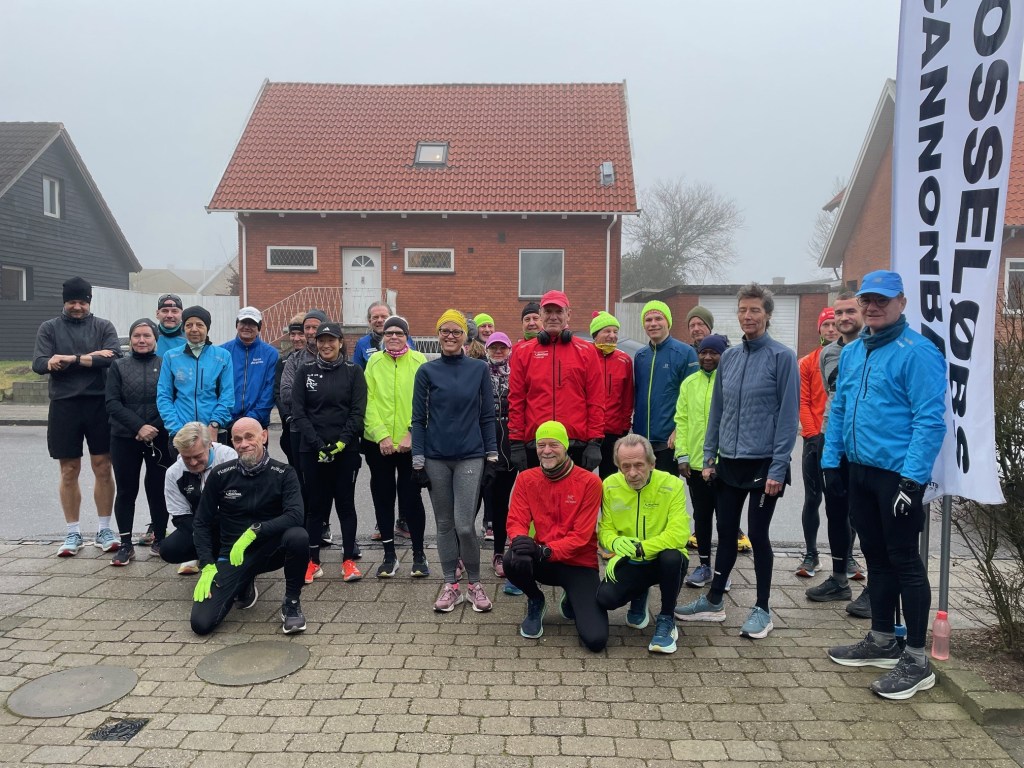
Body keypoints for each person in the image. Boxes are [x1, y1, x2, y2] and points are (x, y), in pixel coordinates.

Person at [822, 270, 946, 700]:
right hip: (859, 471)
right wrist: (831, 461)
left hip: (897, 475)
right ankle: (881, 639)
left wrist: (912, 481)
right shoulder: (854, 351)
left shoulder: (919, 352)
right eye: (868, 301)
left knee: (904, 560)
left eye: (883, 300)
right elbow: (840, 407)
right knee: (875, 557)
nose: (873, 307)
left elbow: (930, 421)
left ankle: (917, 659)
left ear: (902, 303)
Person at [675, 283, 799, 639]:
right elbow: (718, 411)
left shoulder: (782, 357)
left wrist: (778, 467)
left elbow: (788, 417)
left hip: (763, 465)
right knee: (726, 532)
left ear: (767, 315)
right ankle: (714, 601)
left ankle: (762, 609)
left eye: (755, 310)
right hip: (728, 461)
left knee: (757, 535)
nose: (748, 316)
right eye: (743, 310)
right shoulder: (729, 357)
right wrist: (709, 456)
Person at [412, 310, 498, 613]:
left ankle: (474, 583)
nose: (450, 336)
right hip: (435, 458)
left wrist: (492, 455)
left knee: (464, 525)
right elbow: (418, 419)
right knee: (444, 524)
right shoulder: (426, 371)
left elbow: (487, 415)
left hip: (470, 455)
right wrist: (418, 460)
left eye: (456, 331)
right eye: (445, 331)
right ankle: (451, 584)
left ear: (465, 336)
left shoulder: (479, 369)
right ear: (438, 334)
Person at [190, 418, 309, 636]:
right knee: (201, 623)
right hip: (233, 554)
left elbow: (295, 515)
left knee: (298, 537)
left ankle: (291, 603)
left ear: (263, 436)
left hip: (270, 549)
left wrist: (256, 530)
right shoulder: (220, 475)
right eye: (237, 439)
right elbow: (201, 522)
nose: (243, 444)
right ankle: (244, 582)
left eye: (249, 437)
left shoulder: (284, 473)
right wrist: (207, 564)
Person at [32, 277, 122, 557]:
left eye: (82, 302)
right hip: (64, 405)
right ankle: (73, 532)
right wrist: (88, 357)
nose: (77, 307)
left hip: (99, 404)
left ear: (89, 302)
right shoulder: (49, 328)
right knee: (69, 469)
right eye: (72, 301)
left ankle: (104, 529)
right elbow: (39, 363)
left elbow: (113, 358)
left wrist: (69, 359)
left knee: (103, 467)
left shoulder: (103, 326)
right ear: (64, 302)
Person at [503, 421, 608, 651]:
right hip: (543, 559)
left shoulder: (590, 482)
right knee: (512, 559)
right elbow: (516, 520)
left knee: (596, 640)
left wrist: (544, 550)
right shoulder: (526, 478)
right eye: (541, 445)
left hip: (578, 563)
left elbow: (581, 536)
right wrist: (520, 541)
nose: (546, 451)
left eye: (554, 444)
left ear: (566, 446)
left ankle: (572, 597)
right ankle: (536, 599)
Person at [597, 434, 689, 653]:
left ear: (652, 463)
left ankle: (666, 618)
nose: (632, 473)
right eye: (625, 466)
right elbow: (605, 529)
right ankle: (640, 592)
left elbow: (679, 534)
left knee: (671, 556)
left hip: (662, 560)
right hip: (631, 559)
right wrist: (614, 541)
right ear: (618, 466)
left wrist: (642, 548)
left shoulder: (672, 485)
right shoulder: (609, 485)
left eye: (639, 465)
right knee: (605, 599)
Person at [291, 322, 366, 583]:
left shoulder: (353, 371)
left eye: (331, 340)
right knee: (315, 507)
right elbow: (298, 412)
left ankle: (348, 561)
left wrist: (342, 443)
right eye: (321, 340)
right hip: (312, 451)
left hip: (346, 451)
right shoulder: (305, 371)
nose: (326, 345)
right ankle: (312, 561)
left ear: (340, 342)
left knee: (345, 505)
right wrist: (318, 445)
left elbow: (357, 411)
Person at [813, 292, 869, 615]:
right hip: (832, 439)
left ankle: (877, 587)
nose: (844, 318)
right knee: (835, 512)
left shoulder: (872, 349)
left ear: (862, 312)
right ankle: (838, 579)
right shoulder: (828, 353)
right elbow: (834, 395)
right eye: (838, 313)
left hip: (864, 444)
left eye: (850, 311)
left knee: (864, 516)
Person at [363, 315, 430, 578]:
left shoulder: (419, 361)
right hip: (378, 444)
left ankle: (419, 554)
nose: (393, 337)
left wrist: (411, 432)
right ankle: (389, 555)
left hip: (410, 443)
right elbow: (367, 401)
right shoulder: (373, 362)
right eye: (389, 333)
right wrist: (381, 435)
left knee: (411, 498)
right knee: (383, 497)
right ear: (383, 336)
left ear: (407, 336)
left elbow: (426, 400)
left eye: (399, 333)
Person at [508, 290, 604, 470]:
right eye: (548, 311)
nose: (553, 317)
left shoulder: (587, 351)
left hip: (576, 444)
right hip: (536, 444)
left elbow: (596, 399)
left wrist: (595, 442)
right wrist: (516, 443)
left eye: (559, 311)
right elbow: (516, 401)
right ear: (541, 314)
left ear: (568, 314)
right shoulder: (522, 352)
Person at [105, 318, 172, 564]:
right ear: (130, 339)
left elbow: (172, 400)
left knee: (158, 489)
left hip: (158, 437)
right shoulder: (118, 366)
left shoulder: (165, 365)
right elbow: (112, 402)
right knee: (126, 490)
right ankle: (125, 543)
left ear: (155, 339)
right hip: (125, 437)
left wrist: (152, 427)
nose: (141, 340)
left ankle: (160, 539)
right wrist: (138, 426)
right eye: (137, 336)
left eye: (147, 336)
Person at [674, 334, 728, 588]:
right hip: (695, 464)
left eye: (713, 353)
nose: (707, 357)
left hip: (724, 463)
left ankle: (724, 571)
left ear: (723, 355)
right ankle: (705, 565)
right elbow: (682, 421)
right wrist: (682, 455)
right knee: (702, 516)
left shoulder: (729, 381)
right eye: (703, 352)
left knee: (726, 519)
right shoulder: (689, 383)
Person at [796, 308, 840, 577]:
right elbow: (802, 401)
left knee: (844, 503)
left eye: (835, 324)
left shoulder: (853, 356)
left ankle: (846, 558)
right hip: (814, 438)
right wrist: (813, 435)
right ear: (819, 329)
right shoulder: (807, 362)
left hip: (842, 440)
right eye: (826, 325)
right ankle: (811, 554)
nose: (831, 329)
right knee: (813, 498)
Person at [160, 422, 237, 574]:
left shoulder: (228, 458)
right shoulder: (173, 473)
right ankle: (208, 557)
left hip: (231, 520)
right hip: (199, 525)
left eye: (197, 456)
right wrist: (203, 540)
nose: (193, 462)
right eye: (186, 458)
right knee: (168, 549)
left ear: (209, 445)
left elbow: (239, 503)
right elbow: (181, 517)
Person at [633, 300, 698, 475]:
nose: (653, 324)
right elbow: (638, 395)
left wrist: (678, 431)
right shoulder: (640, 356)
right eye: (648, 320)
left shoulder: (685, 353)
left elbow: (693, 399)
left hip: (668, 442)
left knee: (665, 489)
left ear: (668, 322)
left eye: (658, 318)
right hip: (642, 442)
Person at [156, 305, 234, 446]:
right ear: (183, 328)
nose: (194, 329)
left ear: (207, 328)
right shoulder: (171, 356)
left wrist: (215, 424)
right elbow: (164, 395)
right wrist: (176, 429)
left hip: (213, 431)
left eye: (199, 325)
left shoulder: (223, 356)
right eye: (189, 325)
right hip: (180, 431)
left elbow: (227, 395)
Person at [481, 332, 519, 587]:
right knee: (476, 500)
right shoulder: (478, 372)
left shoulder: (516, 373)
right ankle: (462, 556)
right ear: (487, 349)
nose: (498, 351)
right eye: (493, 347)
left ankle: (498, 553)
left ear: (509, 350)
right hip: (482, 442)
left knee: (502, 503)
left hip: (508, 444)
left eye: (502, 348)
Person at [221, 307, 279, 437]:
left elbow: (269, 390)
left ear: (259, 327)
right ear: (237, 325)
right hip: (227, 422)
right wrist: (226, 417)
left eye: (252, 323)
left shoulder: (271, 354)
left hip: (257, 422)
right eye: (243, 322)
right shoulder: (223, 352)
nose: (247, 327)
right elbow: (217, 389)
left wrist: (252, 418)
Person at [590, 311, 634, 480]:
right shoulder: (586, 356)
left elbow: (627, 397)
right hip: (588, 432)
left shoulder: (624, 360)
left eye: (615, 331)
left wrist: (624, 427)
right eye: (607, 331)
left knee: (609, 480)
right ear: (595, 334)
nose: (612, 335)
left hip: (613, 431)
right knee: (584, 481)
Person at [274, 314, 307, 467]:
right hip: (291, 425)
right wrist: (286, 416)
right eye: (293, 334)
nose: (296, 338)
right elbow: (278, 393)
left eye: (301, 334)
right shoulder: (283, 361)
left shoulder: (320, 359)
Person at [353, 301, 418, 370]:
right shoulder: (362, 343)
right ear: (370, 321)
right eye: (375, 317)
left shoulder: (406, 339)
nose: (380, 320)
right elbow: (357, 372)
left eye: (384, 317)